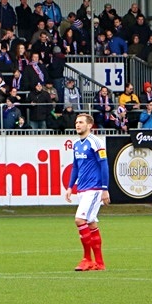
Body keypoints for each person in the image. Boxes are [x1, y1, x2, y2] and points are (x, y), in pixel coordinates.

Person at [64, 114, 109, 271]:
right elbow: (75, 166)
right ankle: (100, 263)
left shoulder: (95, 142)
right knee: (90, 223)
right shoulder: (76, 144)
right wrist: (70, 187)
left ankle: (87, 259)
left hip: (94, 188)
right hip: (83, 189)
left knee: (79, 219)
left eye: (81, 122)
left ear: (90, 125)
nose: (77, 125)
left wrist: (105, 189)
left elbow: (104, 165)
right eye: (76, 122)